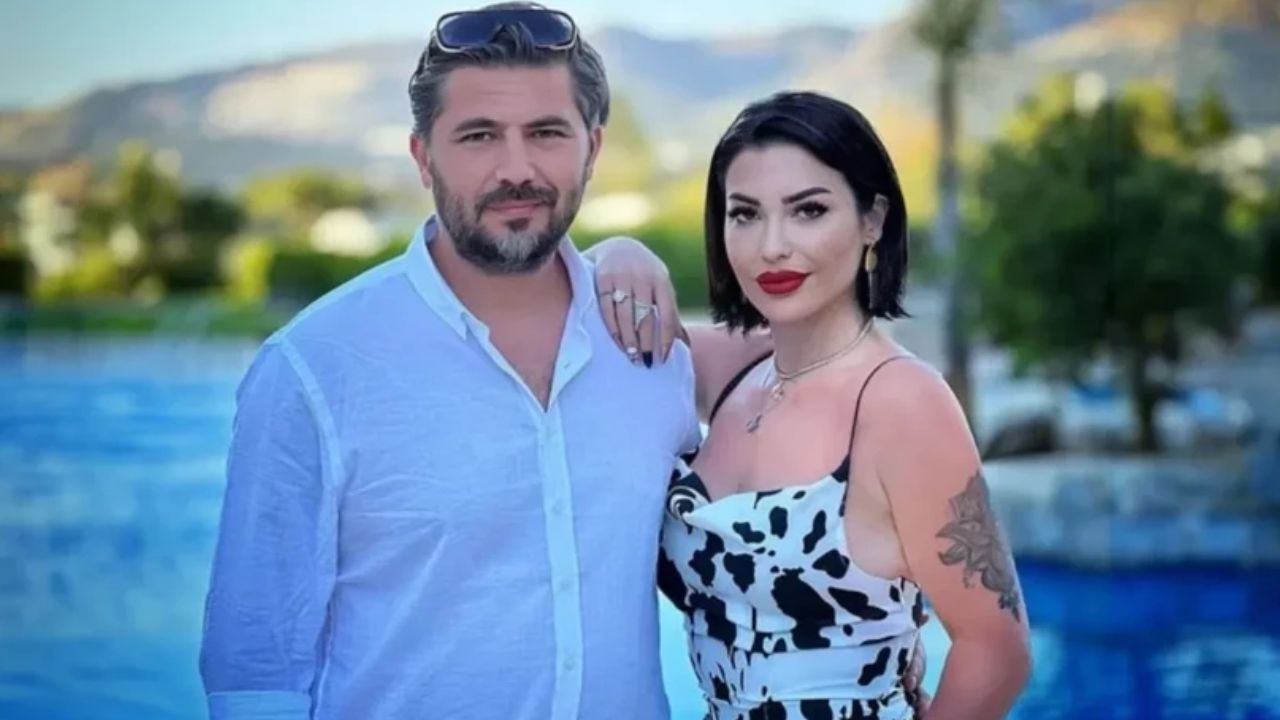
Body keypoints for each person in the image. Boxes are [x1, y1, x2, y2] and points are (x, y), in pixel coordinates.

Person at [198, 5, 932, 719]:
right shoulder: (313, 370)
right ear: (422, 157)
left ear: (593, 148)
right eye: (479, 136)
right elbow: (256, 670)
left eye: (547, 133)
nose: (516, 169)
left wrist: (882, 625)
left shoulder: (650, 346)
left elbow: (836, 370)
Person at [589, 92, 1032, 718]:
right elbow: (587, 332)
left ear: (873, 219)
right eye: (745, 214)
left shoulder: (903, 403)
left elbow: (997, 651)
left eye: (809, 210)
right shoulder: (733, 368)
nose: (772, 246)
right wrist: (617, 252)